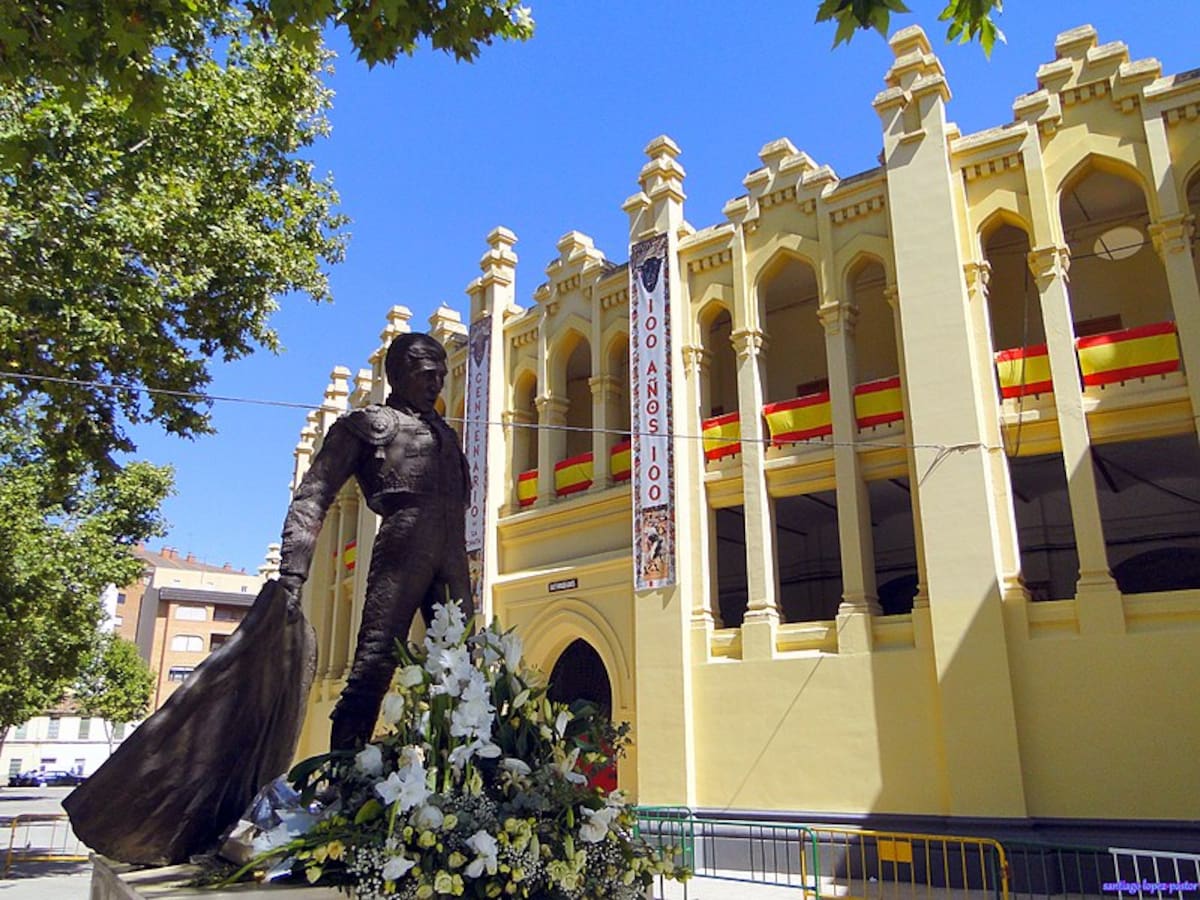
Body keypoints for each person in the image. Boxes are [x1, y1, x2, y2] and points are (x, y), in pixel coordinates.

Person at [278, 332, 472, 750]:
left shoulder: (447, 435)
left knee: (465, 663)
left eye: (441, 374)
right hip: (405, 545)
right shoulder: (366, 427)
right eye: (426, 374)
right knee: (375, 661)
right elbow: (313, 497)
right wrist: (292, 574)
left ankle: (462, 774)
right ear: (399, 375)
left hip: (452, 550)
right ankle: (345, 770)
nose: (436, 384)